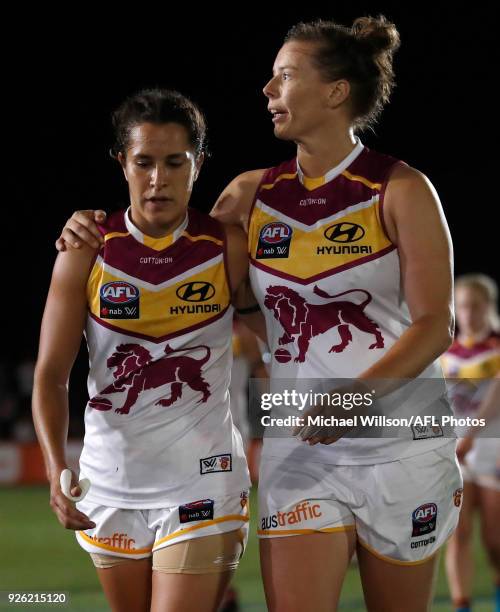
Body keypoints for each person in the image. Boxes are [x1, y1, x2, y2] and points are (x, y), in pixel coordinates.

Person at [55, 16, 462, 612]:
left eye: (284, 77)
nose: (267, 92)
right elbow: (173, 247)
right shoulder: (249, 195)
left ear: (335, 92)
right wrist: (88, 228)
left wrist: (352, 399)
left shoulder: (401, 189)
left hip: (401, 444)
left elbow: (435, 326)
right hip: (301, 446)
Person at [32, 89, 257, 612]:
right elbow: (50, 374)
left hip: (204, 478)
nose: (158, 179)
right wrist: (52, 470)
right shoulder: (86, 250)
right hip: (109, 484)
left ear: (197, 164)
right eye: (144, 162)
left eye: (175, 162)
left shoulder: (228, 246)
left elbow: (284, 335)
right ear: (122, 163)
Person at [441, 274, 500, 612]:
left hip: (492, 450)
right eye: (462, 306)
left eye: (475, 306)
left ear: (488, 307)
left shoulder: (496, 348)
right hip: (457, 453)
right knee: (458, 536)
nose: (468, 313)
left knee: (494, 540)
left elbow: (493, 400)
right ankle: (462, 605)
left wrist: (471, 436)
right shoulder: (444, 351)